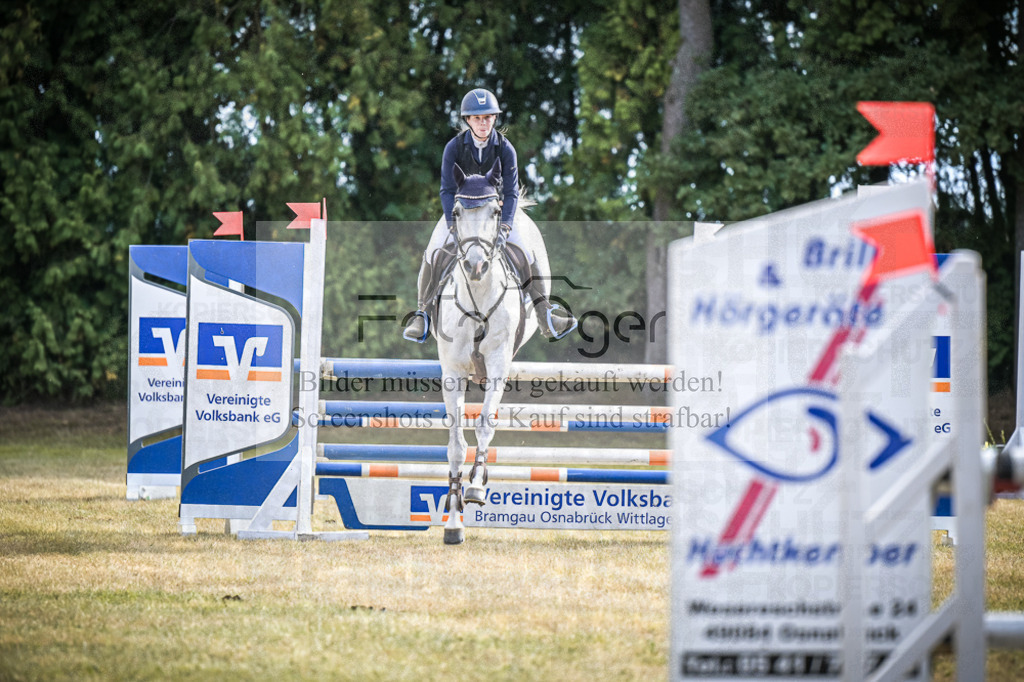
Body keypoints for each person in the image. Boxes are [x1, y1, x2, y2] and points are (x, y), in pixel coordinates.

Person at [403, 87, 577, 343]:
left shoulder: (506, 149)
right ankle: (422, 313)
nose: (483, 123)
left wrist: (506, 226)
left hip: (496, 211)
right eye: (477, 118)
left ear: (495, 118)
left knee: (527, 251)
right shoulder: (453, 148)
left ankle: (546, 315)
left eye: (488, 117)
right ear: (467, 120)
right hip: (461, 211)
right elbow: (447, 190)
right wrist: (452, 224)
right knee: (433, 251)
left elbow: (512, 193)